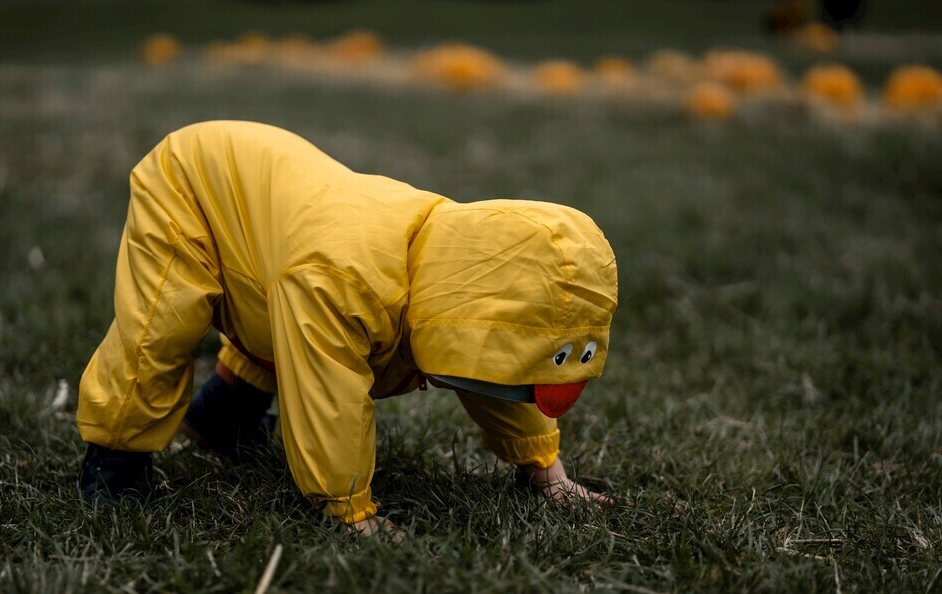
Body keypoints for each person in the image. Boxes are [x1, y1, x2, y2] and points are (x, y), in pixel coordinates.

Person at [76, 120, 618, 537]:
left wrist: (545, 471)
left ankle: (219, 421)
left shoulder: (464, 274)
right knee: (163, 324)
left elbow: (500, 357)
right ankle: (113, 468)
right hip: (191, 181)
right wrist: (349, 510)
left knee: (277, 309)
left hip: (285, 223)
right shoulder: (341, 279)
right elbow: (329, 392)